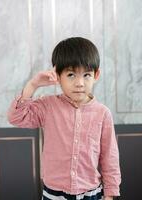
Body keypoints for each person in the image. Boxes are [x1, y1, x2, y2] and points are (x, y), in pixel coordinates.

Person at [8, 37, 121, 200]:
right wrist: (33, 85)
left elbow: (109, 157)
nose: (80, 83)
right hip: (54, 193)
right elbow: (16, 117)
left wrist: (110, 194)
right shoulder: (47, 106)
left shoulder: (103, 113)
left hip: (91, 193)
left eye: (87, 75)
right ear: (58, 76)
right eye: (71, 75)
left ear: (96, 75)